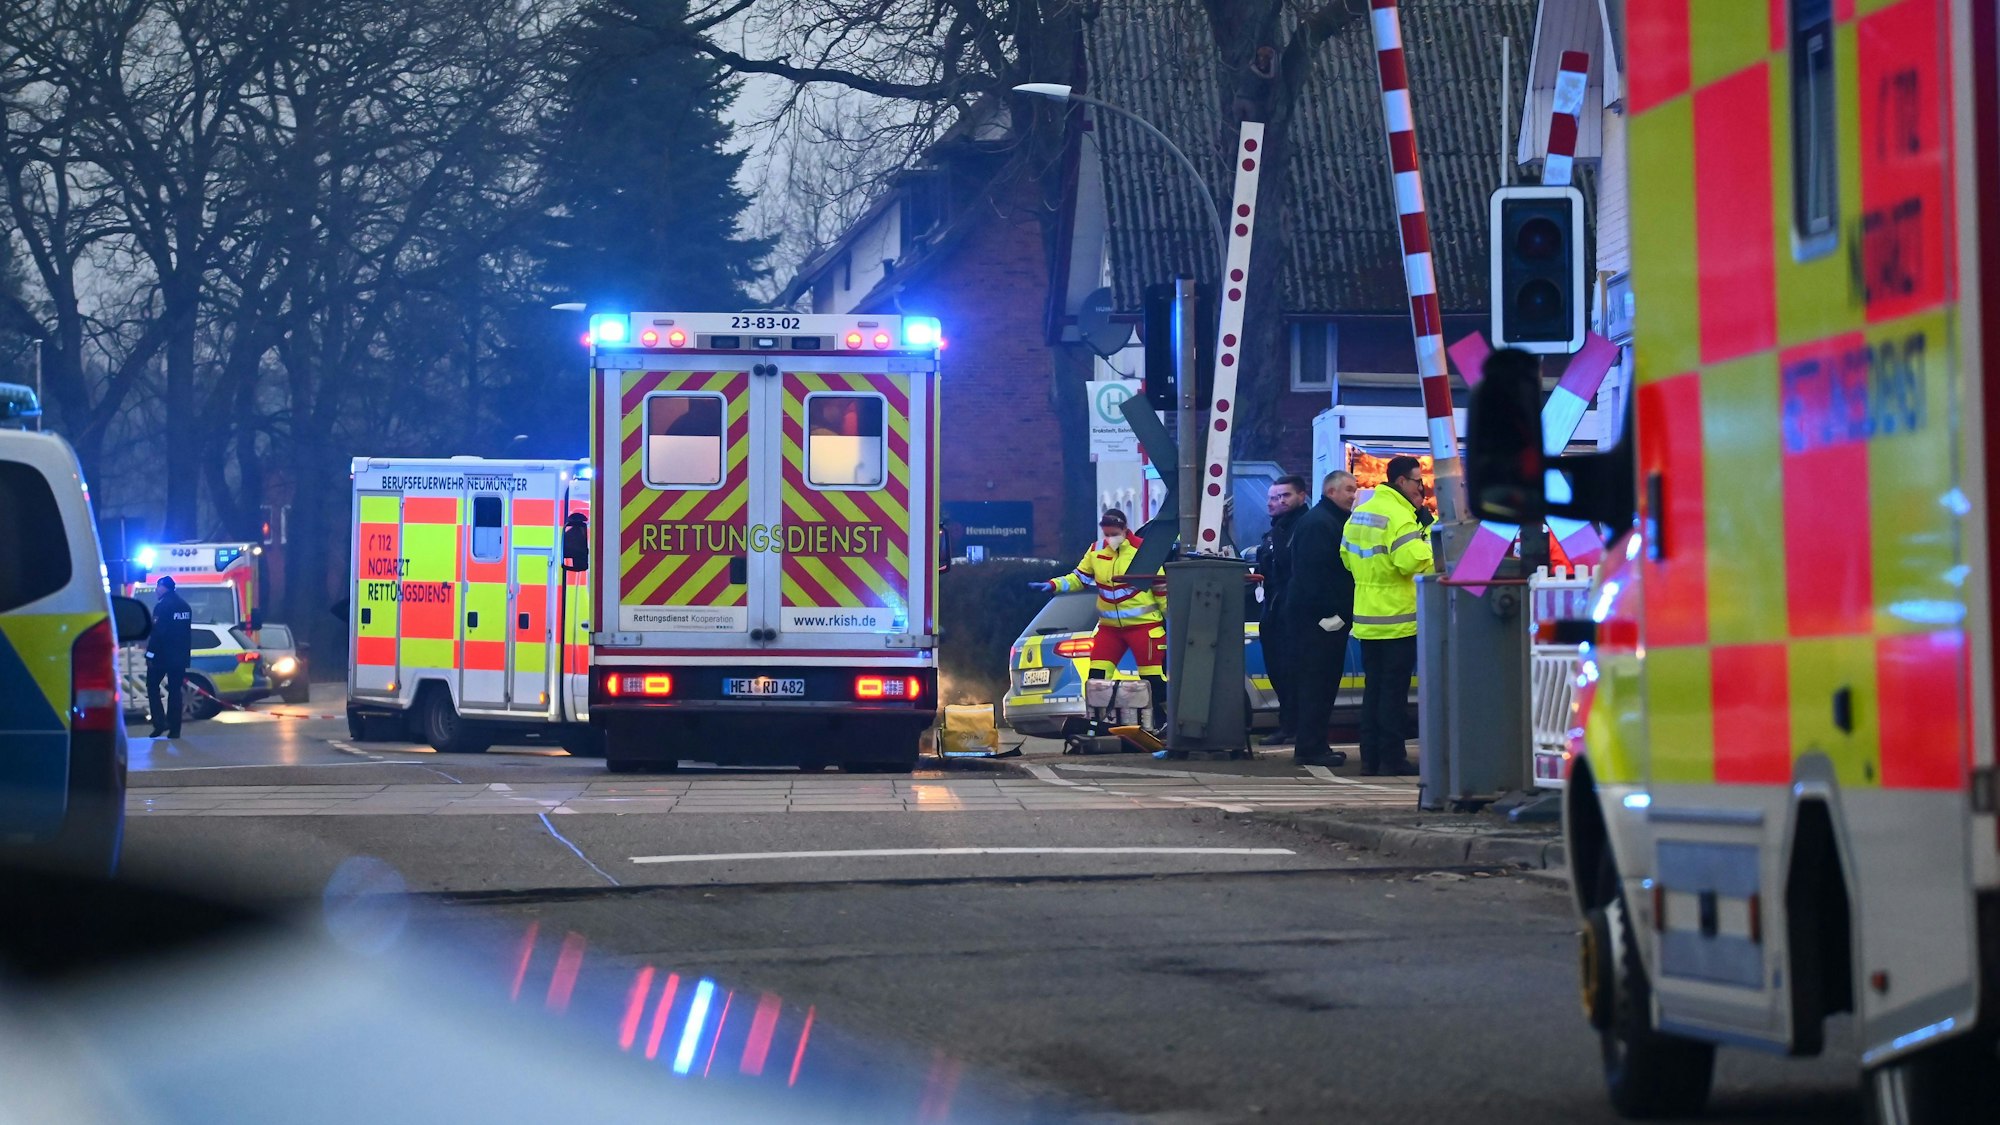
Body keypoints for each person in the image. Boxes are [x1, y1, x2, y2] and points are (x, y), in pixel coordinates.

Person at [1341, 457, 1433, 775]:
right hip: (1397, 618)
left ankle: (1370, 759)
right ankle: (1392, 759)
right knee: (1393, 695)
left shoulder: (1361, 512)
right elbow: (1414, 562)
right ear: (1400, 482)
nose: (1421, 486)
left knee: (1374, 690)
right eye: (1417, 481)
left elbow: (1346, 558)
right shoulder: (1399, 516)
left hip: (1367, 616)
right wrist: (1432, 537)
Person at [1032, 509, 1166, 713]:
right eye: (1107, 534)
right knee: (1096, 680)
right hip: (1110, 630)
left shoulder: (1144, 550)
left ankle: (1163, 721)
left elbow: (1160, 587)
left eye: (1114, 533)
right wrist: (1053, 585)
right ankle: (1097, 723)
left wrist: (1172, 619)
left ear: (1124, 529)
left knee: (1153, 679)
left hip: (1144, 627)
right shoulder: (1096, 550)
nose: (1110, 538)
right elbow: (1079, 578)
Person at [1286, 471, 1359, 766]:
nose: (1354, 495)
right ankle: (1311, 747)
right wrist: (1331, 615)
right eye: (1349, 490)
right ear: (1331, 491)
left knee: (1322, 684)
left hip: (1318, 619)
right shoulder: (1321, 524)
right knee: (1318, 684)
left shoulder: (1326, 520)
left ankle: (1316, 744)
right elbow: (1314, 574)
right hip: (1318, 621)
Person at [1255, 475, 1309, 745]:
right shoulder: (1274, 531)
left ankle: (1295, 727)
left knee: (1294, 672)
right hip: (1274, 611)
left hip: (1293, 612)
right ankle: (1288, 725)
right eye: (1273, 498)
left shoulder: (1303, 528)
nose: (1276, 502)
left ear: (1302, 496)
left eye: (1284, 496)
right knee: (1278, 670)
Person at [146, 575, 194, 739]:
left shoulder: (163, 606)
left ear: (164, 587)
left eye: (158, 587)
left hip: (161, 657)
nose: (156, 590)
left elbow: (158, 633)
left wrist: (149, 654)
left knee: (152, 686)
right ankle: (175, 729)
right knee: (175, 691)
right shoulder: (185, 606)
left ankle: (160, 722)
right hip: (179, 657)